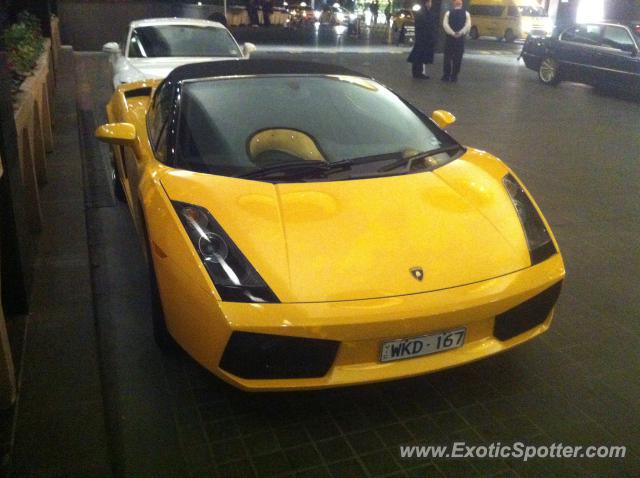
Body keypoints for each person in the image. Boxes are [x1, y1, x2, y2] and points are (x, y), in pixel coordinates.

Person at [441, 0, 471, 82]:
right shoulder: (466, 13)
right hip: (460, 39)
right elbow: (468, 26)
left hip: (449, 39)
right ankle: (454, 76)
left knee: (447, 57)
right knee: (458, 57)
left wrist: (452, 33)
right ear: (461, 4)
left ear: (453, 3)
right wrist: (460, 33)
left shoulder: (448, 13)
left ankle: (446, 75)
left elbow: (445, 25)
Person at [406, 0, 437, 79]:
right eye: (430, 2)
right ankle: (418, 73)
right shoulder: (424, 13)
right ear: (426, 3)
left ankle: (417, 72)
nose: (431, 4)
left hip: (422, 37)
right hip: (423, 37)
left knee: (419, 55)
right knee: (420, 55)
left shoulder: (422, 12)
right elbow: (428, 25)